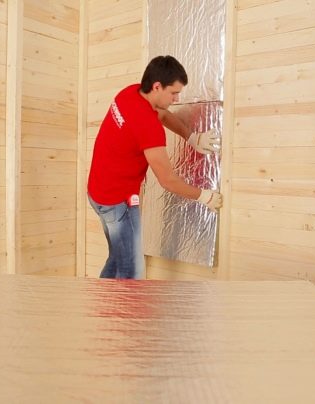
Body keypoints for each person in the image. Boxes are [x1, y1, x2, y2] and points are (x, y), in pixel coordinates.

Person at [87, 55, 223, 280]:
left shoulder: (130, 93)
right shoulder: (147, 126)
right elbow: (167, 180)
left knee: (117, 259)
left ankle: (102, 302)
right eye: (173, 93)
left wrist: (191, 137)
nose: (177, 98)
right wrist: (203, 196)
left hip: (97, 193)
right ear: (157, 86)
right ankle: (126, 305)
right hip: (117, 203)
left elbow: (163, 114)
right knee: (132, 272)